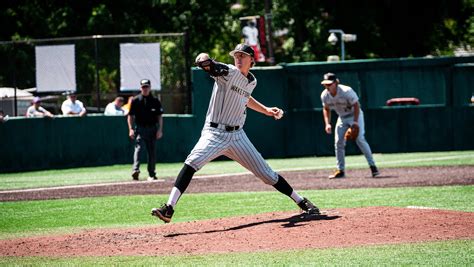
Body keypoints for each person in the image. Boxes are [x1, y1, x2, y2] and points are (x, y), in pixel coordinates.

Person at [151, 44, 320, 223]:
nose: (238, 58)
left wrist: (266, 110)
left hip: (238, 136)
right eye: (236, 55)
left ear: (252, 60)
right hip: (214, 133)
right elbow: (211, 66)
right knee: (191, 163)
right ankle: (169, 208)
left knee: (268, 175)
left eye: (243, 56)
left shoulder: (252, 81)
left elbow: (245, 97)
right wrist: (203, 58)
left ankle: (302, 202)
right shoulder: (228, 72)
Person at [320, 72, 380, 178]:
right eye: (326, 84)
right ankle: (340, 170)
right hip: (342, 118)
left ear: (336, 82)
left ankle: (373, 167)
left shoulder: (346, 91)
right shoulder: (325, 95)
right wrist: (327, 123)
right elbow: (326, 109)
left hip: (355, 116)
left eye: (330, 84)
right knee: (338, 142)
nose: (327, 86)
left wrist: (355, 122)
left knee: (360, 139)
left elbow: (356, 105)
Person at [127, 79, 164, 181]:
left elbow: (160, 116)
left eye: (147, 86)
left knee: (152, 152)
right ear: (140, 88)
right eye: (143, 87)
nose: (145, 89)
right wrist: (130, 129)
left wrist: (160, 130)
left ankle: (152, 173)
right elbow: (130, 116)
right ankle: (135, 170)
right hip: (140, 128)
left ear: (150, 87)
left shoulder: (155, 100)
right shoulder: (135, 100)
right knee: (138, 149)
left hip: (152, 128)